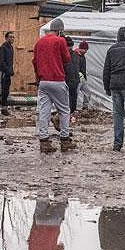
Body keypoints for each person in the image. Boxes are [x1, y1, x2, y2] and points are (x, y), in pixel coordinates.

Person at [33, 18, 74, 153]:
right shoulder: (60, 41)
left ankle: (44, 140)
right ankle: (65, 139)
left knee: (44, 111)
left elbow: (34, 62)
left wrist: (38, 77)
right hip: (57, 80)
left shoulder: (39, 42)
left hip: (43, 81)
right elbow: (67, 58)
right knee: (64, 110)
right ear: (60, 30)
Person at [0, 31, 15, 116]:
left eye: (13, 37)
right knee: (0, 90)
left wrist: (11, 70)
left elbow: (10, 61)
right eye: (10, 37)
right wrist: (8, 70)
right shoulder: (3, 47)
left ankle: (4, 109)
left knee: (6, 91)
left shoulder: (11, 48)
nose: (12, 39)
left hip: (8, 72)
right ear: (6, 38)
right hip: (2, 72)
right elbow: (2, 62)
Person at [63, 36, 82, 114]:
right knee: (67, 99)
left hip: (74, 79)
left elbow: (77, 67)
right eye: (68, 46)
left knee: (73, 98)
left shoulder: (75, 55)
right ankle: (68, 114)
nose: (70, 48)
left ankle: (72, 113)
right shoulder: (65, 55)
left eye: (70, 46)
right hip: (67, 80)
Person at [76, 41, 94, 110]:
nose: (86, 51)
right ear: (81, 48)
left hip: (82, 78)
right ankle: (73, 109)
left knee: (88, 93)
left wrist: (85, 78)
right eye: (85, 49)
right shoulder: (75, 55)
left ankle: (85, 107)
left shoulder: (82, 56)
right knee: (75, 95)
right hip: (77, 79)